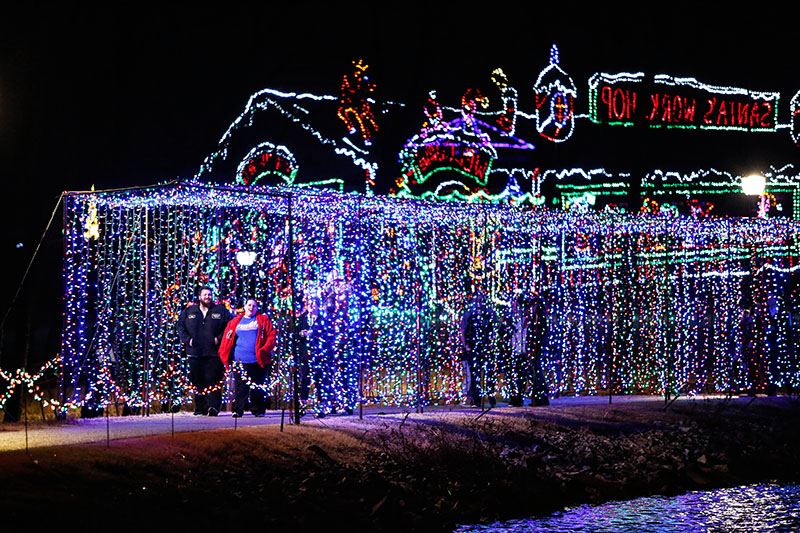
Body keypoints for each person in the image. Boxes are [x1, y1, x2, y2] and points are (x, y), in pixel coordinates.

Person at [176, 286, 230, 416]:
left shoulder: (220, 311)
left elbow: (229, 327)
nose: (207, 297)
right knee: (197, 381)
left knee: (213, 380)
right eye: (205, 294)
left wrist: (219, 338)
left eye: (209, 294)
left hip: (214, 353)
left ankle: (213, 407)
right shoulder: (189, 311)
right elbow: (180, 327)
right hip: (194, 353)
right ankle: (200, 407)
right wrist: (187, 340)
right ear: (199, 297)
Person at [218, 298, 276, 417]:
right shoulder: (235, 322)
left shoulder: (263, 320)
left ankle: (258, 410)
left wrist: (264, 349)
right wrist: (223, 353)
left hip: (258, 360)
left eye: (254, 306)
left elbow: (272, 336)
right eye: (249, 305)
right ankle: (238, 410)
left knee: (258, 386)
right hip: (239, 360)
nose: (251, 307)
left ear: (257, 308)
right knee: (240, 387)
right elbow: (227, 338)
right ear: (244, 307)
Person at [460, 289, 497, 407]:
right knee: (475, 374)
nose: (479, 302)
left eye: (481, 300)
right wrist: (466, 345)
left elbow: (494, 329)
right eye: (477, 300)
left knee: (488, 373)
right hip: (473, 346)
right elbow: (463, 330)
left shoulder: (489, 313)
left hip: (485, 346)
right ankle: (476, 399)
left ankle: (490, 397)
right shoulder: (469, 314)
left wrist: (491, 342)